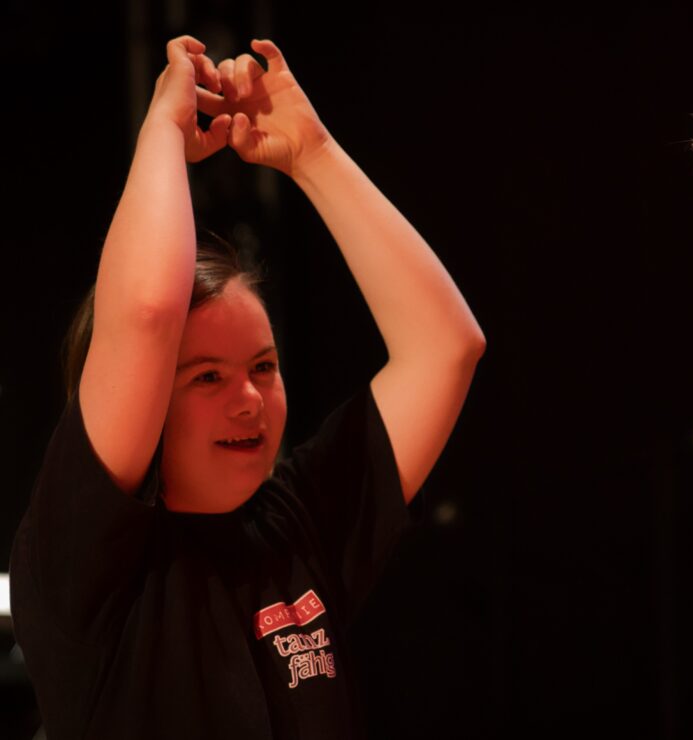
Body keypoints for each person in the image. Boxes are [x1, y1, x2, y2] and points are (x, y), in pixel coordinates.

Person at [10, 35, 484, 739]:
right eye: (207, 377)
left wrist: (314, 155)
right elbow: (145, 314)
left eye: (263, 366)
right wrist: (164, 133)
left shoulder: (296, 519)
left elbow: (446, 347)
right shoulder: (84, 555)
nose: (251, 399)